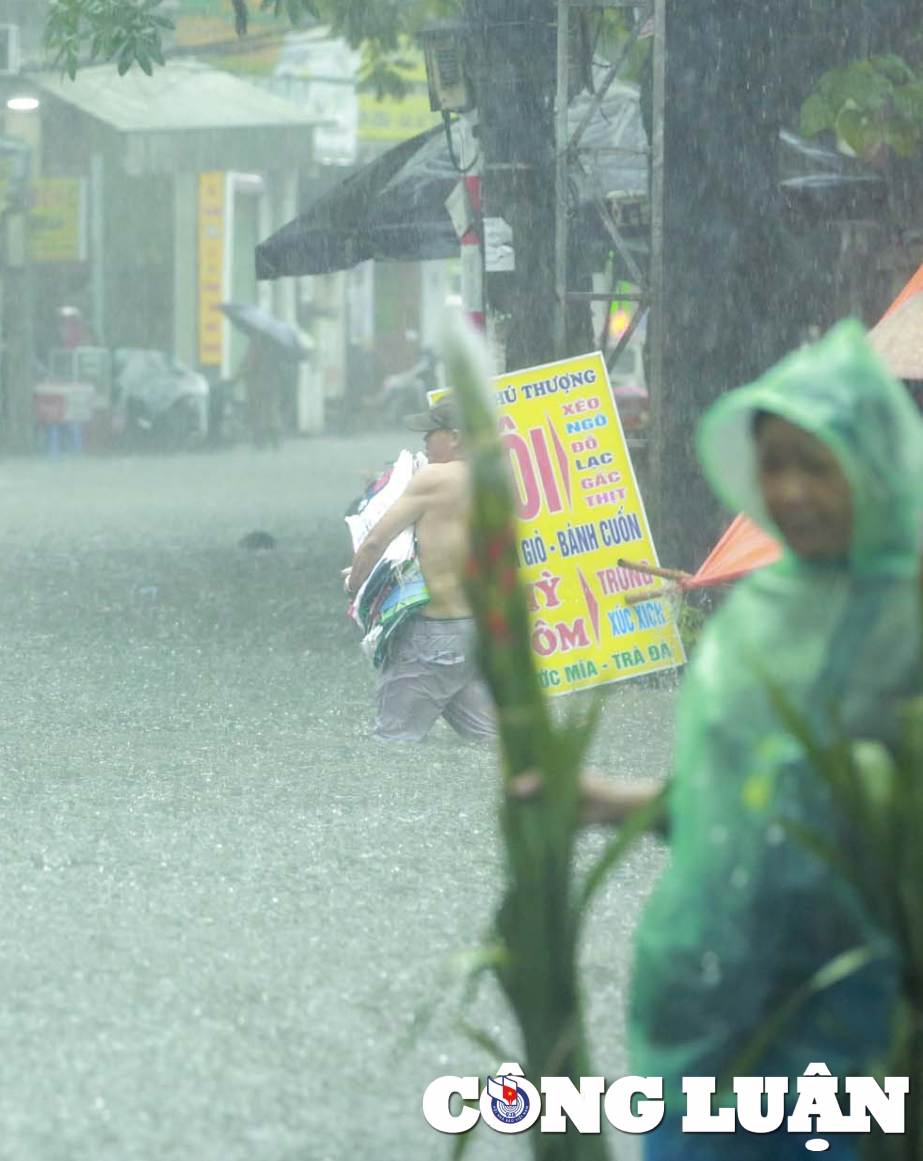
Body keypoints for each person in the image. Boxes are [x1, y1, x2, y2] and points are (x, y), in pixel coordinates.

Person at [548, 322, 916, 1160]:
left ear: (875, 464)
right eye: (773, 464)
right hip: (707, 989)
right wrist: (603, 799)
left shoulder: (909, 613)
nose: (790, 489)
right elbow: (742, 808)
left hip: (854, 1005)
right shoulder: (759, 616)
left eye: (815, 462)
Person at [342, 399, 497, 743]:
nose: (424, 441)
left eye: (431, 433)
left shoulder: (433, 479)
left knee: (390, 747)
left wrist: (354, 587)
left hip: (431, 637)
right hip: (476, 632)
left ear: (455, 437)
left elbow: (373, 543)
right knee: (491, 743)